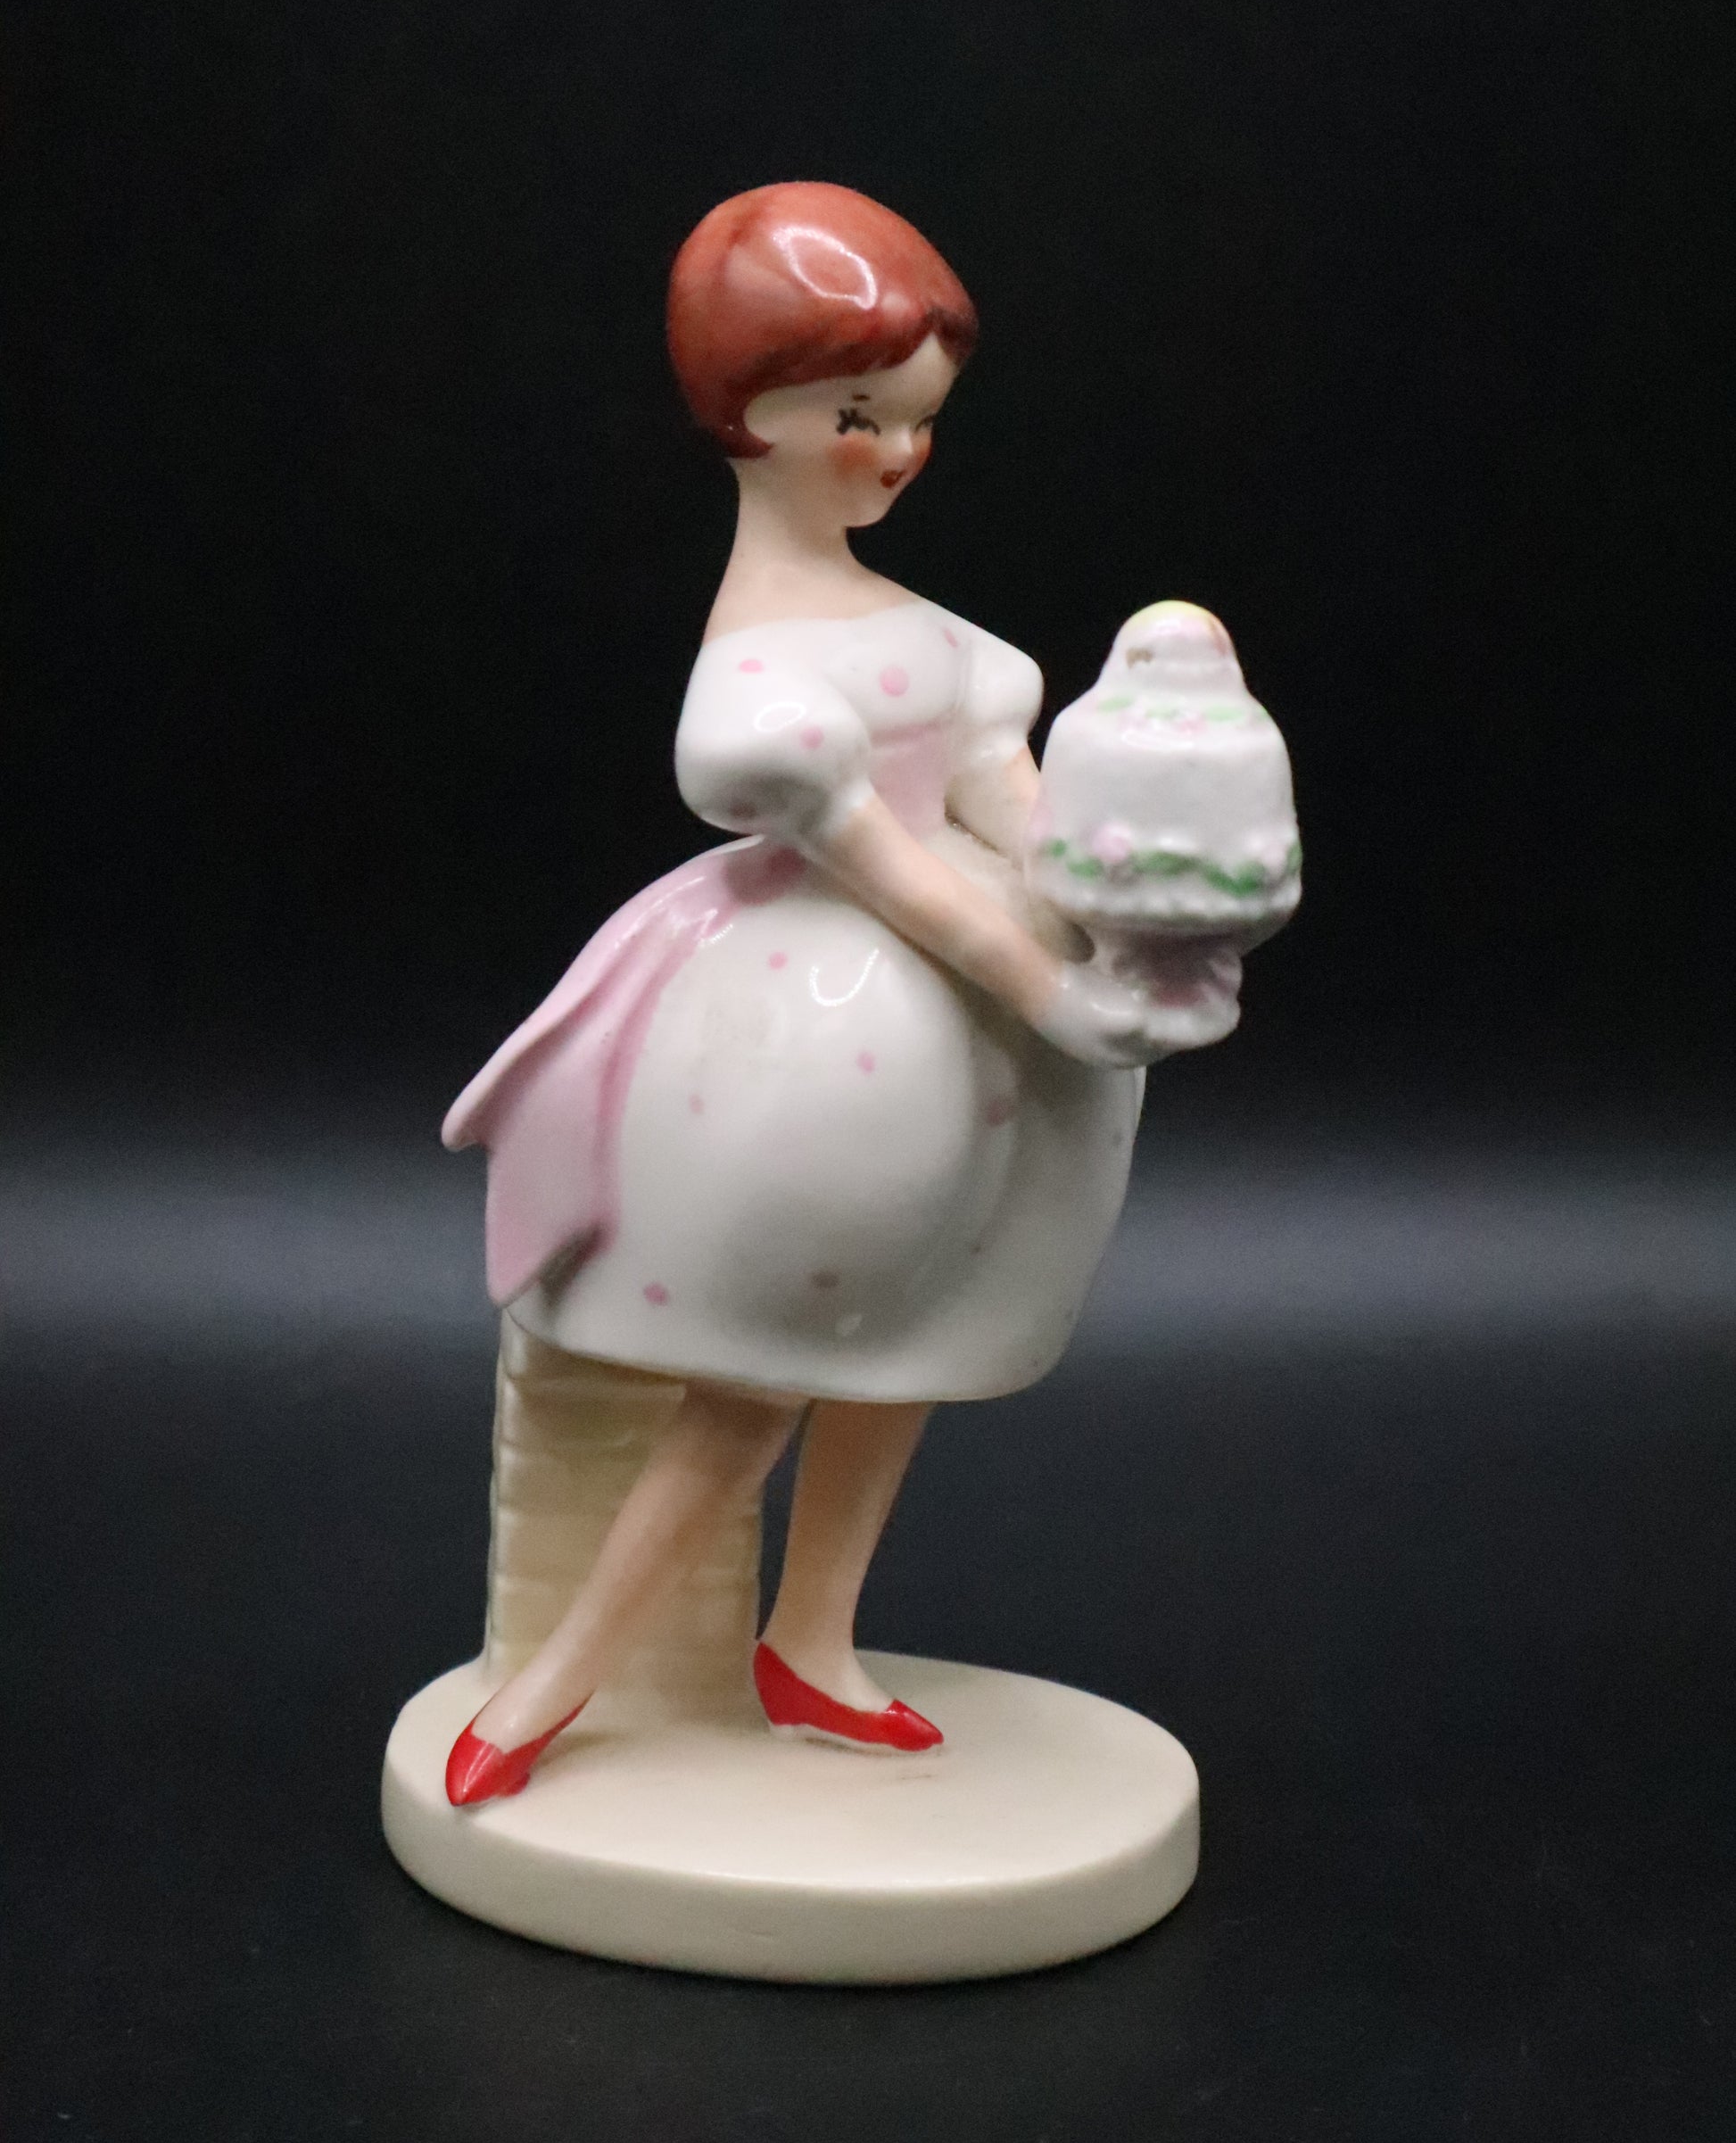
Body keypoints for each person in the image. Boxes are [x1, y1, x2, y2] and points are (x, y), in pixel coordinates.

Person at [441, 182, 1235, 1806]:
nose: (899, 452)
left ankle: (811, 1637)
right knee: (757, 1377)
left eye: (919, 419)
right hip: (830, 1035)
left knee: (909, 1348)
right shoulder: (759, 679)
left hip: (975, 1053)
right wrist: (1051, 985)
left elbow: (1002, 804)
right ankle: (555, 1680)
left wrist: (1128, 911)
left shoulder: (926, 632)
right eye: (860, 416)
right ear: (746, 415)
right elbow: (891, 868)